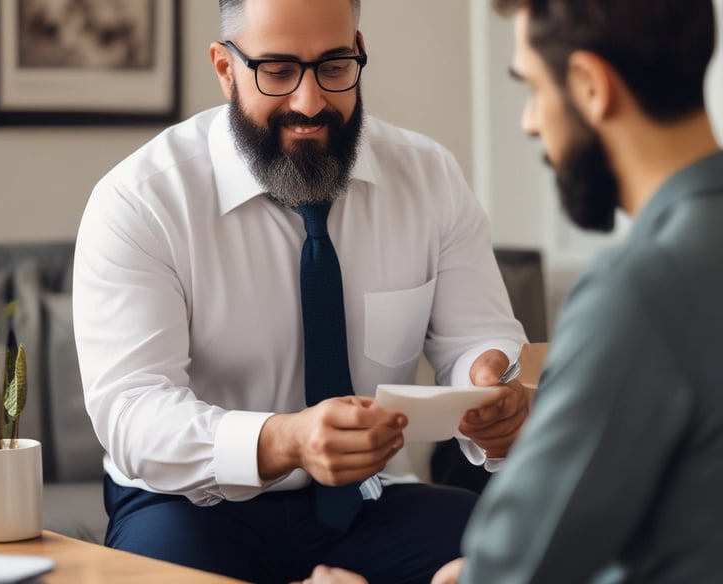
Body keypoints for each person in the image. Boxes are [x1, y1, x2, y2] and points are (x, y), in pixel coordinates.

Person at [72, 0, 530, 582]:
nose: (309, 102)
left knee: (532, 547)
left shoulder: (429, 177)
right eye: (278, 71)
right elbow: (132, 412)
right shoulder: (141, 202)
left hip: (367, 503)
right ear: (224, 67)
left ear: (358, 52)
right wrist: (285, 440)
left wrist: (488, 387)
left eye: (334, 67)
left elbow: (476, 342)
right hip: (190, 506)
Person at [300, 0, 723, 582]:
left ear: (590, 86)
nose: (529, 122)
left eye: (532, 88)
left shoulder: (638, 294)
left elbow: (516, 570)